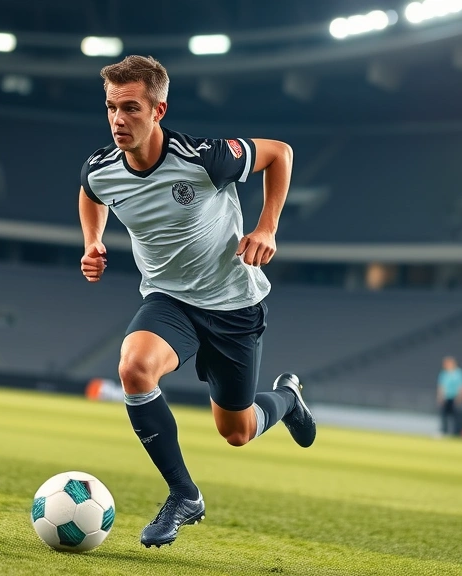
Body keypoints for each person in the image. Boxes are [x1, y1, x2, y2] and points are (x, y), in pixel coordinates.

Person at [78, 55, 316, 548]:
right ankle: (183, 494)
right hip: (170, 300)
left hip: (232, 305)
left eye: (131, 108)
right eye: (111, 108)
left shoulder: (205, 157)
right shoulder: (102, 168)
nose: (119, 120)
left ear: (158, 110)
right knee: (134, 368)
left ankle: (288, 399)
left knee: (238, 430)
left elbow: (281, 153)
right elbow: (90, 191)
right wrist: (93, 241)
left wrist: (267, 226)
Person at [437, 356, 462, 435]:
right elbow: (441, 386)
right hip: (446, 397)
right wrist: (440, 396)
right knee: (444, 415)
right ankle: (444, 431)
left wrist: (461, 397)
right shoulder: (444, 373)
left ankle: (456, 432)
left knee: (455, 416)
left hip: (455, 397)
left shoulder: (459, 373)